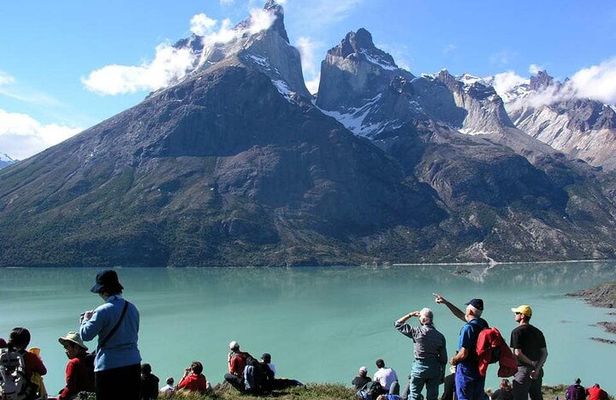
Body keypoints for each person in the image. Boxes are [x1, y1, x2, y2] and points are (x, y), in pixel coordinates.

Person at [79, 269, 141, 400]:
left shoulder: (102, 311)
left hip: (109, 366)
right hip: (133, 364)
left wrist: (85, 320)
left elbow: (86, 335)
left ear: (104, 291)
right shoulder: (133, 308)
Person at [434, 294, 488, 400]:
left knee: (464, 396)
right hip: (480, 368)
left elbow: (464, 353)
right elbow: (462, 315)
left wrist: (454, 360)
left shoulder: (467, 328)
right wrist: (446, 303)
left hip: (466, 370)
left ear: (470, 312)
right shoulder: (483, 324)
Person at [395, 308, 447, 400]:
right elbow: (443, 359)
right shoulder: (440, 336)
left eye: (420, 317)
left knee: (414, 396)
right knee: (432, 397)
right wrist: (442, 375)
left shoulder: (416, 332)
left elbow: (398, 324)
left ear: (423, 320)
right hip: (434, 369)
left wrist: (410, 314)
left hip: (419, 368)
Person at [509, 305, 547, 400]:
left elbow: (517, 353)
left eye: (517, 313)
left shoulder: (516, 332)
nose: (515, 314)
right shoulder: (538, 332)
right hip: (537, 371)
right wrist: (537, 368)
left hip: (523, 370)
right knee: (536, 396)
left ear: (522, 316)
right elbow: (544, 353)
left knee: (519, 397)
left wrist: (530, 363)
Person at [55, 331, 95, 400]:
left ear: (76, 347)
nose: (66, 350)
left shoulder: (73, 363)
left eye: (67, 347)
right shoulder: (92, 358)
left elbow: (70, 388)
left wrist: (60, 398)